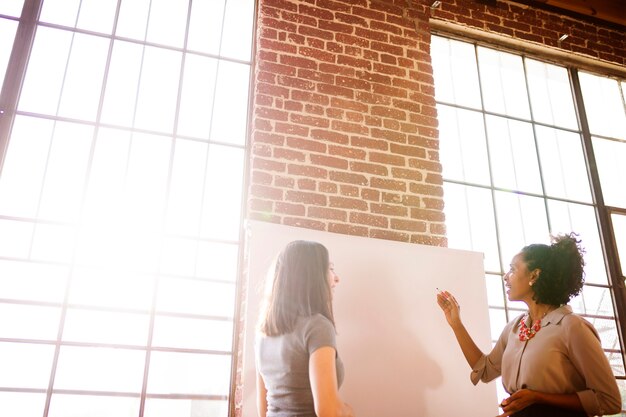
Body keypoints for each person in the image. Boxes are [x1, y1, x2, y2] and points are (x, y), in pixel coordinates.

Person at [437, 233, 621, 417]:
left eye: (512, 269)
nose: (505, 276)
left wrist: (538, 398)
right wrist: (456, 324)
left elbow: (609, 401)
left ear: (535, 275)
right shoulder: (514, 328)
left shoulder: (572, 327)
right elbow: (484, 370)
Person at [255, 240, 355, 417]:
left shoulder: (263, 331)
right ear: (312, 275)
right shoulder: (318, 327)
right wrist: (348, 411)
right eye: (330, 269)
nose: (336, 277)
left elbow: (263, 409)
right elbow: (328, 411)